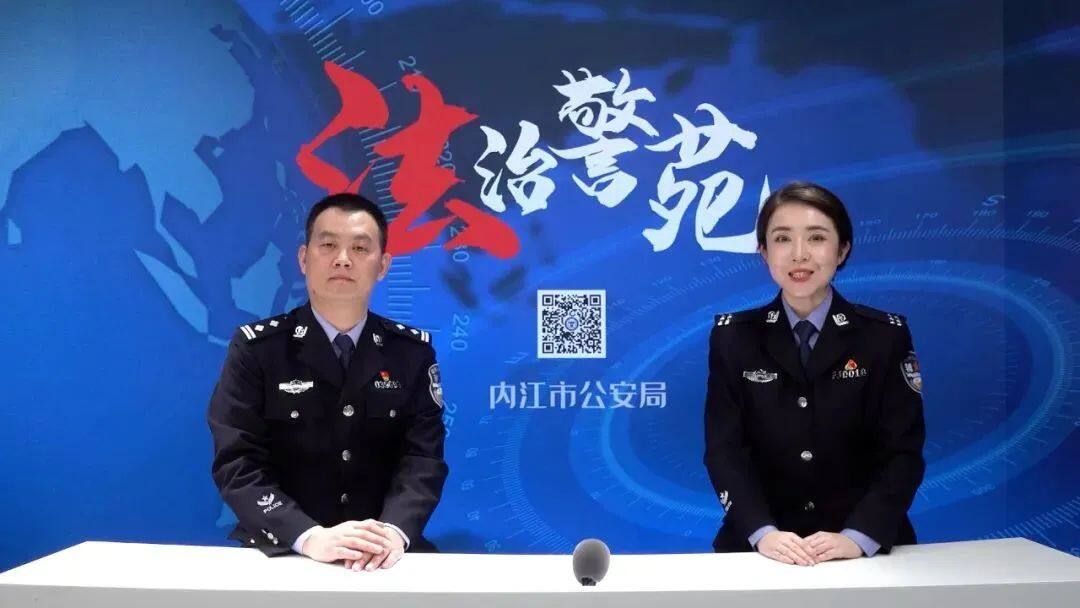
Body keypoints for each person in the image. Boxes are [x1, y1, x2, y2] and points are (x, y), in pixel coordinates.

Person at [208, 192, 448, 571]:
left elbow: (422, 460)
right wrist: (307, 536)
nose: (343, 259)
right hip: (285, 552)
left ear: (383, 265)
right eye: (329, 245)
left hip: (383, 558)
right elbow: (238, 462)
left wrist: (392, 533)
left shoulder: (411, 353)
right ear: (304, 258)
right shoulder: (258, 349)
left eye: (360, 248)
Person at [704, 181, 925, 565]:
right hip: (759, 551)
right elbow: (725, 452)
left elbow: (903, 452)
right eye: (782, 239)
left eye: (817, 238)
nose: (799, 254)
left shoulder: (883, 336)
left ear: (842, 250)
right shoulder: (733, 338)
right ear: (763, 252)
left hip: (866, 552)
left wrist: (859, 537)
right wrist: (763, 533)